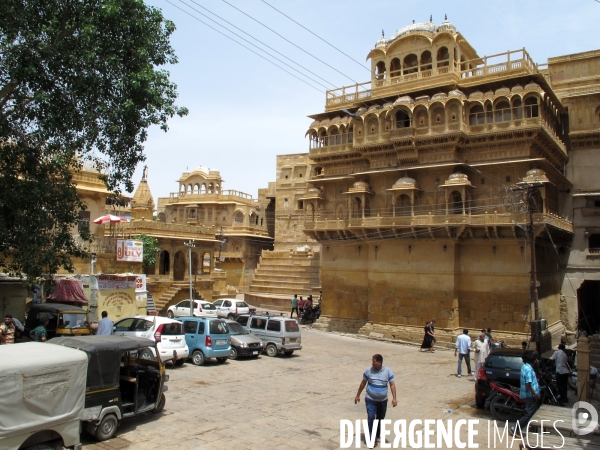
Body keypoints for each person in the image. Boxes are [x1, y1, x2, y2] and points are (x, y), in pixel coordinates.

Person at [354, 354, 397, 448]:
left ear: (379, 362)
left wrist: (394, 398)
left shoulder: (388, 371)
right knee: (371, 417)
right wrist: (358, 395)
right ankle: (371, 439)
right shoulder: (368, 371)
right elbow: (363, 383)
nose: (372, 363)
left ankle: (377, 435)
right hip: (370, 399)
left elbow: (392, 385)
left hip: (382, 400)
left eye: (374, 361)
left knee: (380, 418)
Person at [512, 351, 540, 437]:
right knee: (529, 413)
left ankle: (532, 431)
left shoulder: (525, 367)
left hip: (528, 394)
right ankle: (515, 428)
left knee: (533, 413)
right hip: (530, 395)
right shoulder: (528, 369)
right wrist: (535, 394)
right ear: (534, 361)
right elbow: (528, 384)